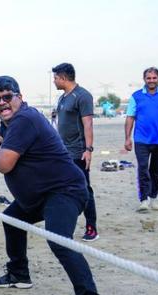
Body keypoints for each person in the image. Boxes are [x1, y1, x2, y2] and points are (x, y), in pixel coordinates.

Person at [0, 76, 110, 295]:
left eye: (8, 97)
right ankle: (19, 274)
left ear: (20, 96)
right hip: (38, 197)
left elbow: (4, 163)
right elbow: (3, 136)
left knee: (59, 239)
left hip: (65, 191)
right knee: (12, 220)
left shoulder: (25, 119)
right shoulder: (12, 123)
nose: (2, 103)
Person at [53, 62, 99, 241]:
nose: (54, 81)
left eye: (56, 78)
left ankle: (91, 227)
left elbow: (88, 124)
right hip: (63, 152)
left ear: (64, 78)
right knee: (62, 189)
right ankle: (65, 226)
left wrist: (88, 149)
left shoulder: (83, 96)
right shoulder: (63, 98)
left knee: (84, 188)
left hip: (78, 152)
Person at [124, 66, 158, 212]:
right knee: (143, 169)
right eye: (148, 78)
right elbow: (130, 117)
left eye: (154, 78)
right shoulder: (136, 96)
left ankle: (153, 199)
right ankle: (144, 200)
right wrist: (127, 138)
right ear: (144, 79)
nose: (151, 81)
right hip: (141, 140)